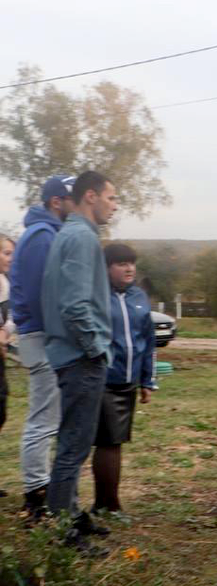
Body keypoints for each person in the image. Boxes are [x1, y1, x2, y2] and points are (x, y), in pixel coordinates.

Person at [41, 171, 118, 541]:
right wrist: (95, 348)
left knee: (74, 441)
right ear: (91, 196)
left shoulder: (69, 234)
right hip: (79, 358)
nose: (114, 206)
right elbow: (74, 306)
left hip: (71, 355)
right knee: (73, 446)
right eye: (111, 198)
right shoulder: (82, 238)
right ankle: (62, 533)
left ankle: (70, 513)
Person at [9, 175, 75, 517]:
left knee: (49, 416)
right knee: (43, 419)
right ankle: (36, 494)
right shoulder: (41, 236)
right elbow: (38, 295)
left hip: (43, 335)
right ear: (56, 201)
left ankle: (41, 487)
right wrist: (59, 334)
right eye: (71, 199)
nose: (75, 205)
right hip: (42, 336)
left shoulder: (46, 233)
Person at [93, 243, 156, 521]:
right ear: (106, 268)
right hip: (105, 379)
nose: (129, 268)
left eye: (131, 263)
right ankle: (109, 504)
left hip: (130, 381)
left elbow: (148, 340)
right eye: (121, 263)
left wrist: (147, 380)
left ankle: (103, 503)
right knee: (110, 442)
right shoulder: (97, 297)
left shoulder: (139, 296)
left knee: (114, 441)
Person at [0, 234, 16, 498]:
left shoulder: (6, 283)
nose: (10, 259)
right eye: (6, 253)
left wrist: (5, 332)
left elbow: (12, 316)